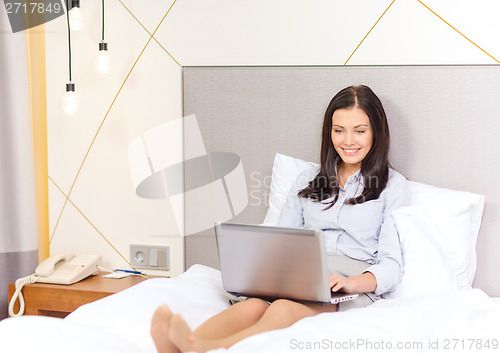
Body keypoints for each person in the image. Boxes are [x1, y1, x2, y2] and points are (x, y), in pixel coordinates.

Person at [150, 85, 408, 353]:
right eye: (339, 130)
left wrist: (349, 283)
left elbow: (391, 265)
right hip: (299, 281)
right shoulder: (307, 181)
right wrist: (262, 275)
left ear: (376, 132)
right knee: (252, 306)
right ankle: (181, 344)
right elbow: (281, 241)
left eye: (360, 130)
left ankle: (202, 348)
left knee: (282, 308)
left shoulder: (392, 186)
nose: (348, 141)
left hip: (348, 288)